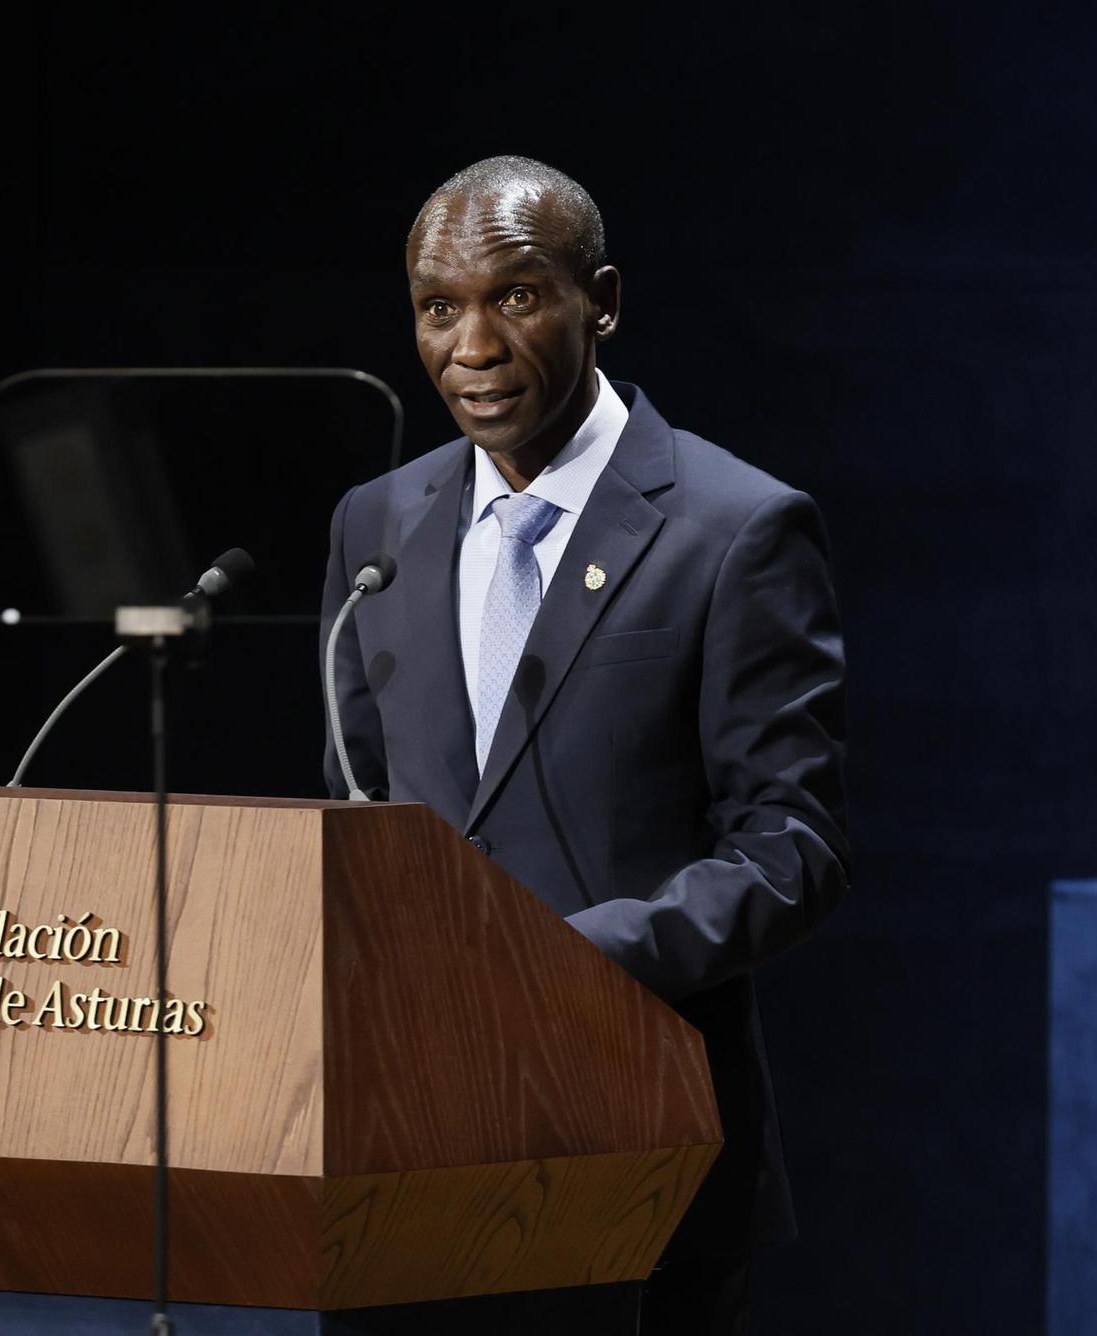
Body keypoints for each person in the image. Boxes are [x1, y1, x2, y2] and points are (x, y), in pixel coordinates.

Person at [321, 155, 850, 1335]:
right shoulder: (376, 524)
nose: (472, 345)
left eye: (514, 296)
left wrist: (561, 964)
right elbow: (355, 813)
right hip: (400, 1159)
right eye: (436, 306)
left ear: (599, 300)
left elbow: (791, 846)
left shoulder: (734, 529)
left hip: (636, 1154)